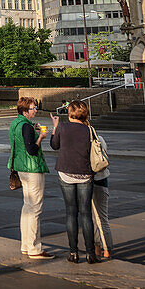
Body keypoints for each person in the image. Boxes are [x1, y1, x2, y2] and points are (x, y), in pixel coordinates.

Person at [50, 100, 100, 264]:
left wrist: (54, 129)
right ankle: (91, 254)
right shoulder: (89, 129)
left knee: (71, 212)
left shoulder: (63, 127)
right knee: (86, 214)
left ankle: (73, 253)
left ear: (70, 112)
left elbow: (54, 145)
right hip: (85, 174)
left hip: (66, 173)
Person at [7, 97, 53, 260]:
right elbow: (32, 149)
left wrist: (33, 130)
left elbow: (20, 141)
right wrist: (41, 136)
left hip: (20, 168)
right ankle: (34, 248)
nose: (35, 110)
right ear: (25, 111)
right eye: (33, 108)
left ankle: (26, 245)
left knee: (27, 207)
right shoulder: (26, 126)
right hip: (32, 169)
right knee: (35, 209)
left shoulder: (16, 123)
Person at [91, 130, 113, 260]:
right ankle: (106, 248)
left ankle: (99, 247)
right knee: (101, 218)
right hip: (101, 180)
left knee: (94, 218)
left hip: (88, 181)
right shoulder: (99, 138)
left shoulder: (82, 139)